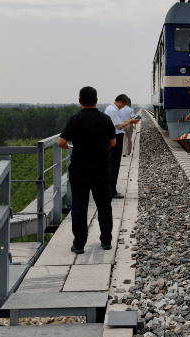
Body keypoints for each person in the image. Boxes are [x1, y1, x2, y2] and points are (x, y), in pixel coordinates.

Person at [57, 86, 116, 253]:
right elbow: (112, 143)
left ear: (79, 101)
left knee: (80, 207)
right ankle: (106, 241)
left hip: (79, 170)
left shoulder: (75, 119)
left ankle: (79, 244)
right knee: (104, 205)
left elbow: (61, 142)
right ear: (96, 101)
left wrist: (70, 146)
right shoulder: (105, 119)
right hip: (102, 169)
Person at [105, 94, 139, 199]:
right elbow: (119, 126)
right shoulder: (113, 110)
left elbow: (119, 123)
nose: (123, 107)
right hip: (115, 137)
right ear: (119, 101)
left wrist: (129, 122)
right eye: (123, 105)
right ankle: (111, 191)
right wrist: (131, 121)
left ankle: (111, 189)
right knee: (114, 165)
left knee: (113, 164)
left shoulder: (112, 109)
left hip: (114, 137)